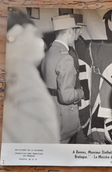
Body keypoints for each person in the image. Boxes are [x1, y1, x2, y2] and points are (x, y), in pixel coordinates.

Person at [2, 7, 60, 143]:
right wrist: (18, 59)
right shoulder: (19, 70)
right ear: (16, 33)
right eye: (34, 34)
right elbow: (43, 138)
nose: (42, 44)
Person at [41, 15, 84, 144]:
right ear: (70, 31)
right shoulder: (66, 58)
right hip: (63, 117)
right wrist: (81, 92)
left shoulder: (49, 52)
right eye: (75, 31)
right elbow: (66, 96)